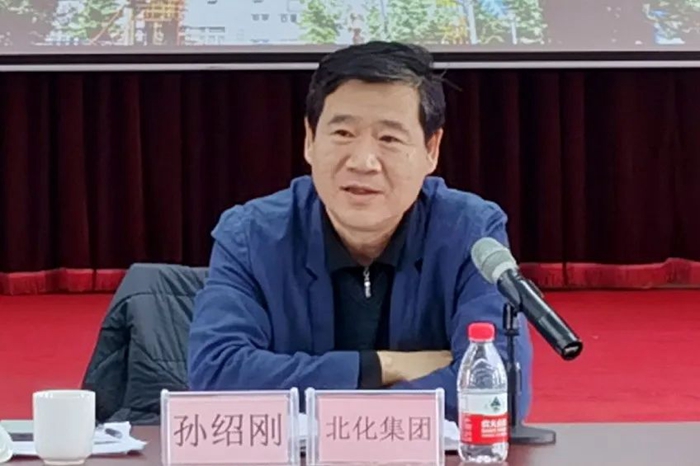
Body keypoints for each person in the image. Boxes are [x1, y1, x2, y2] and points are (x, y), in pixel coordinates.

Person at [187, 41, 533, 422]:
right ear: (309, 140)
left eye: (389, 139)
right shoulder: (250, 236)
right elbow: (215, 375)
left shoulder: (470, 232)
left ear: (431, 150)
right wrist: (382, 366)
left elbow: (498, 390)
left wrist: (330, 400)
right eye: (343, 133)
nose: (363, 162)